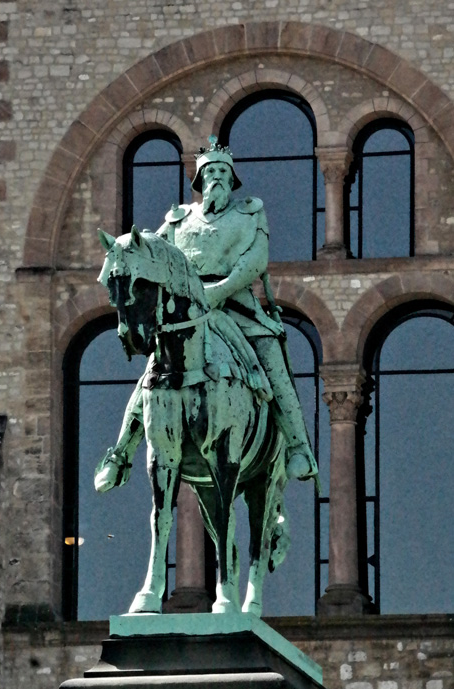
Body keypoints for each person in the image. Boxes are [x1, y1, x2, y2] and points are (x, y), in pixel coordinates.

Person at [95, 138, 318, 491]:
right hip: (186, 313)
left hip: (237, 305)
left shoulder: (249, 212)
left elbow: (255, 261)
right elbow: (156, 255)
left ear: (232, 180)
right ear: (199, 182)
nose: (216, 177)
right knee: (153, 373)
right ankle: (120, 453)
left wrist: (217, 291)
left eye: (222, 172)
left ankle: (298, 447)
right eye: (209, 172)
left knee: (273, 364)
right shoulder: (178, 220)